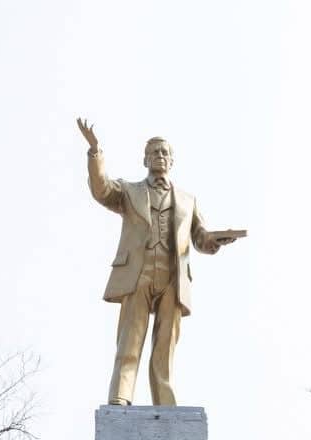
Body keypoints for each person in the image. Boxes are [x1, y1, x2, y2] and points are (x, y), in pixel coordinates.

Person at [76, 118, 243, 406]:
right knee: (130, 340)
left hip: (173, 278)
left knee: (165, 346)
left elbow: (200, 237)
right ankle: (120, 397)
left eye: (165, 152)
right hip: (137, 272)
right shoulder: (129, 191)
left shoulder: (188, 200)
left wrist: (216, 240)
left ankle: (165, 404)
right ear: (145, 159)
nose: (160, 156)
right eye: (154, 152)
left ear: (172, 160)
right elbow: (101, 189)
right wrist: (95, 152)